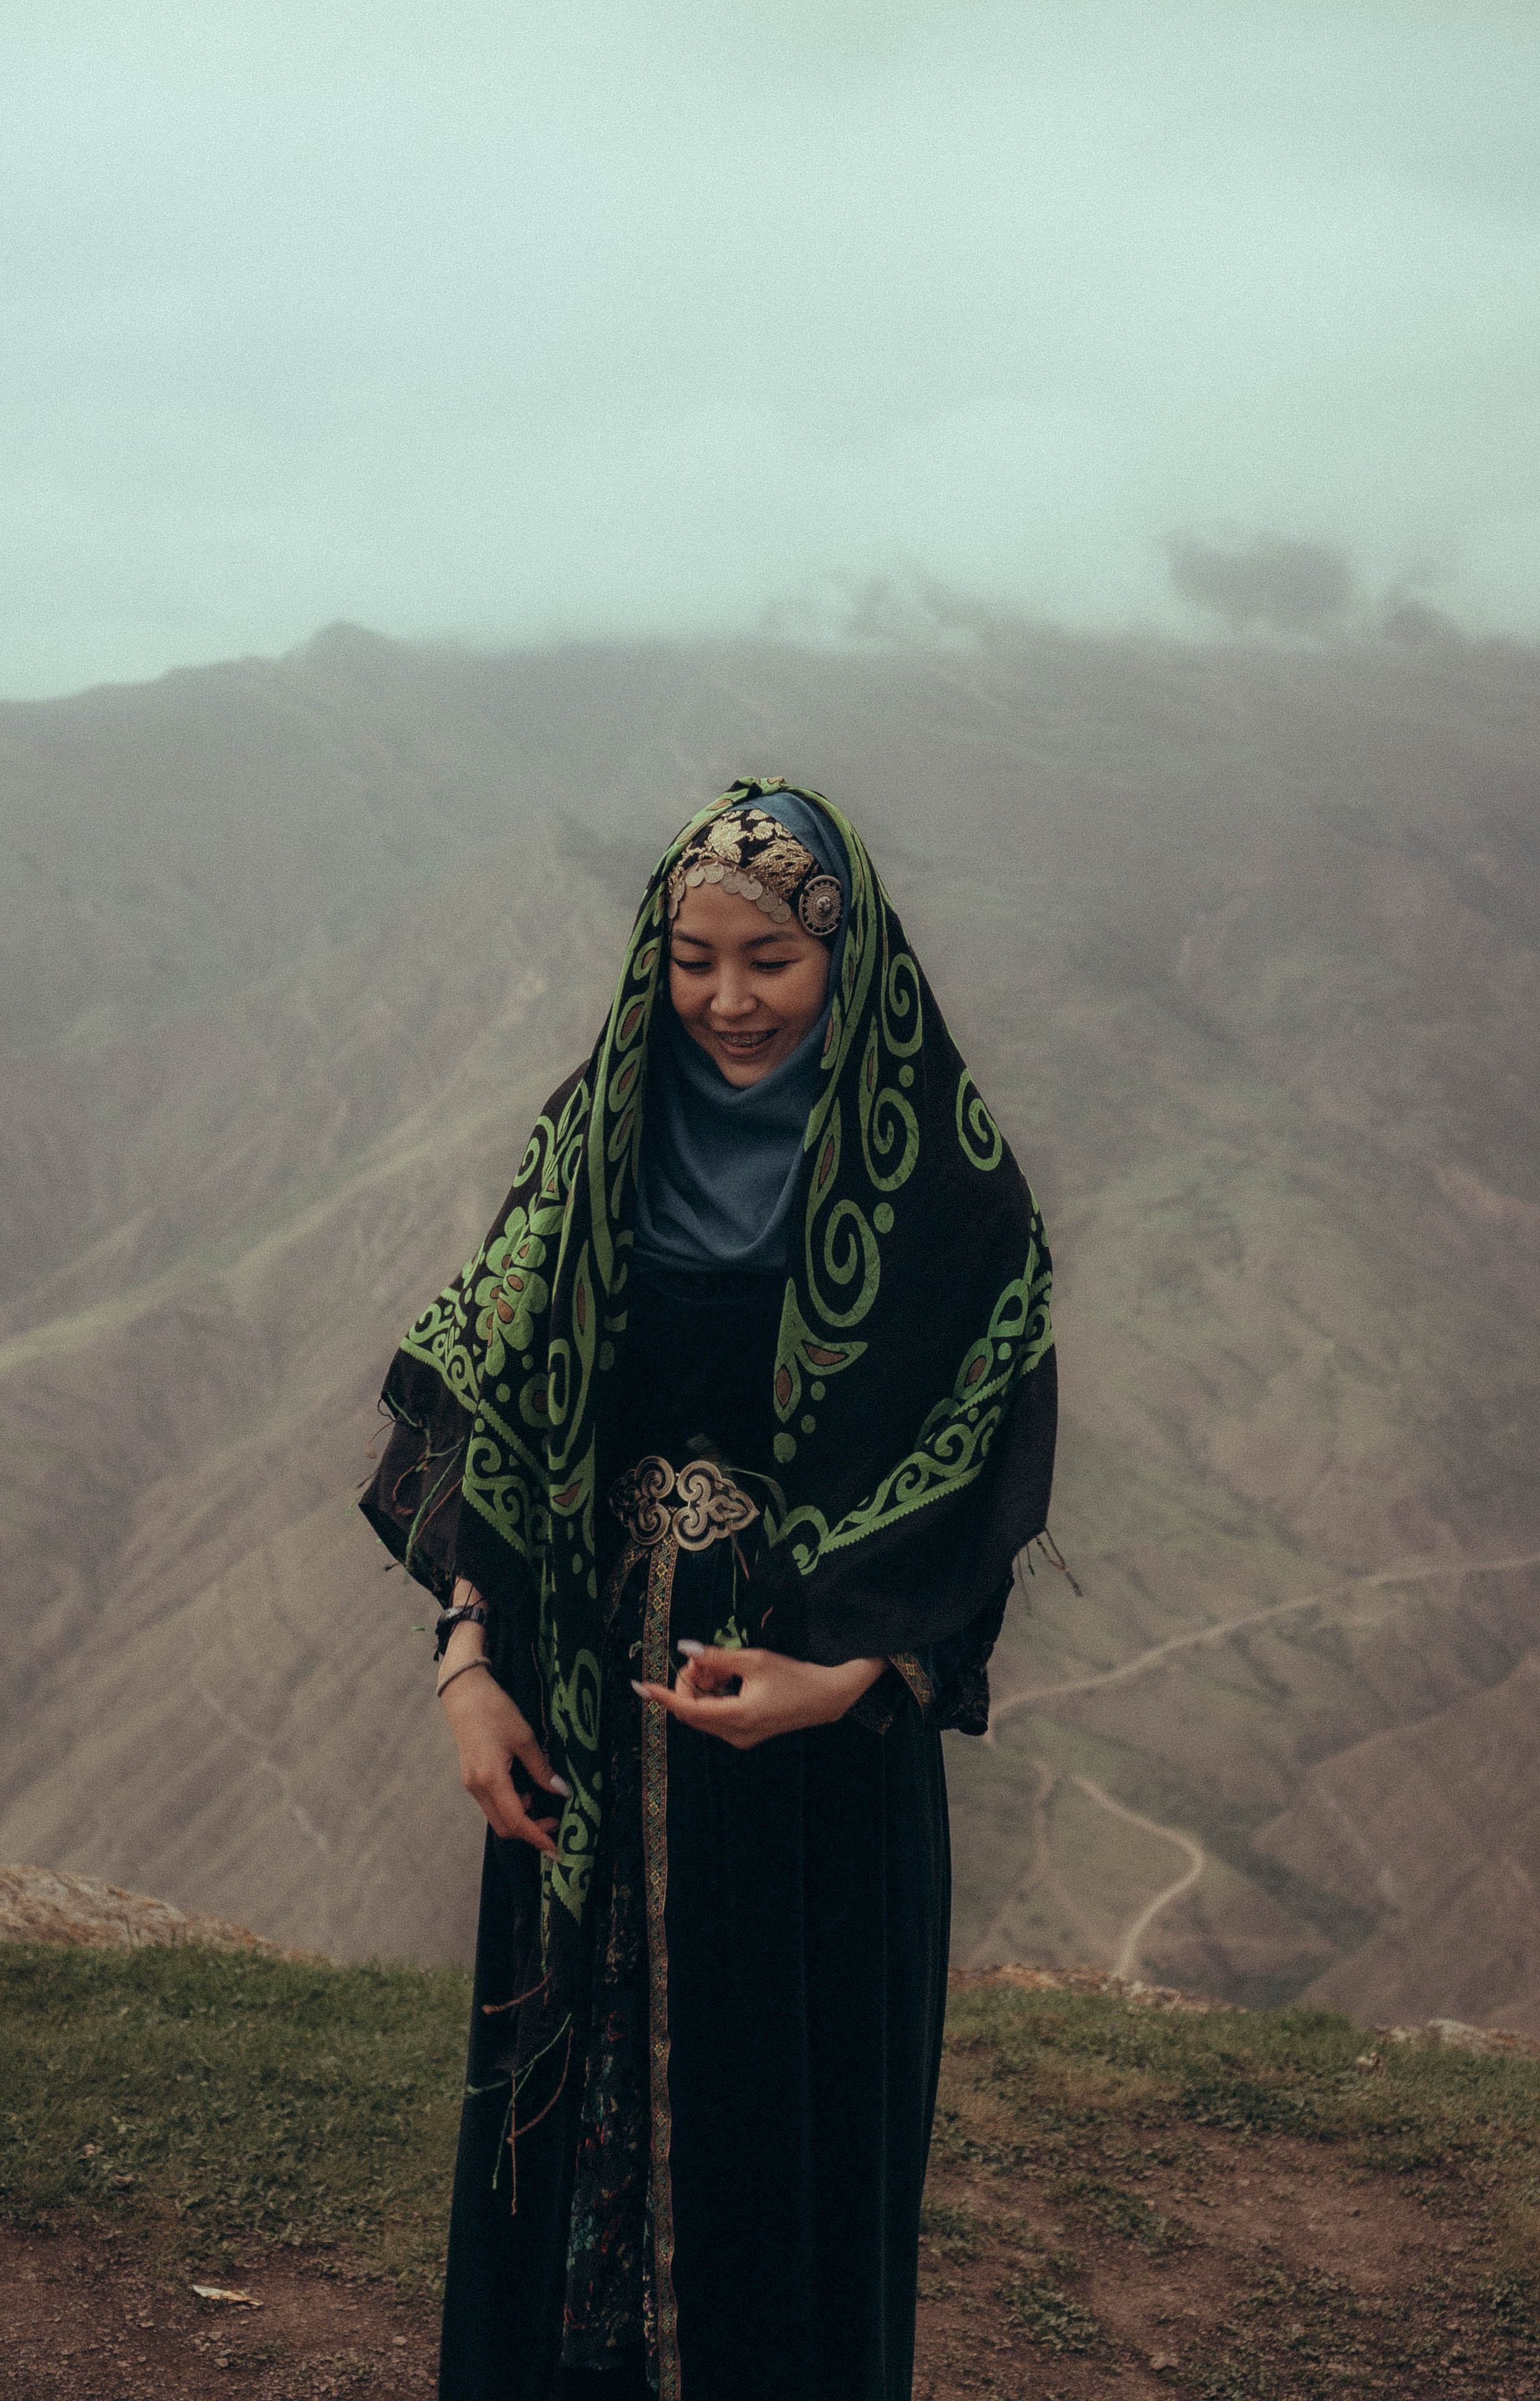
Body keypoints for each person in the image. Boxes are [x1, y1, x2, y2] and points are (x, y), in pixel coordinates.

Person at [361, 781, 1056, 2401]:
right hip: (579, 1726)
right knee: (564, 2150)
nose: (729, 1001)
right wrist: (469, 1667)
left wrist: (855, 1677)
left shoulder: (941, 1192)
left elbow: (978, 1478)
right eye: (693, 960)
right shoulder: (595, 1142)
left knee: (788, 2153)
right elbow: (495, 1411)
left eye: (771, 962)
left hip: (817, 1776)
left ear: (849, 962)